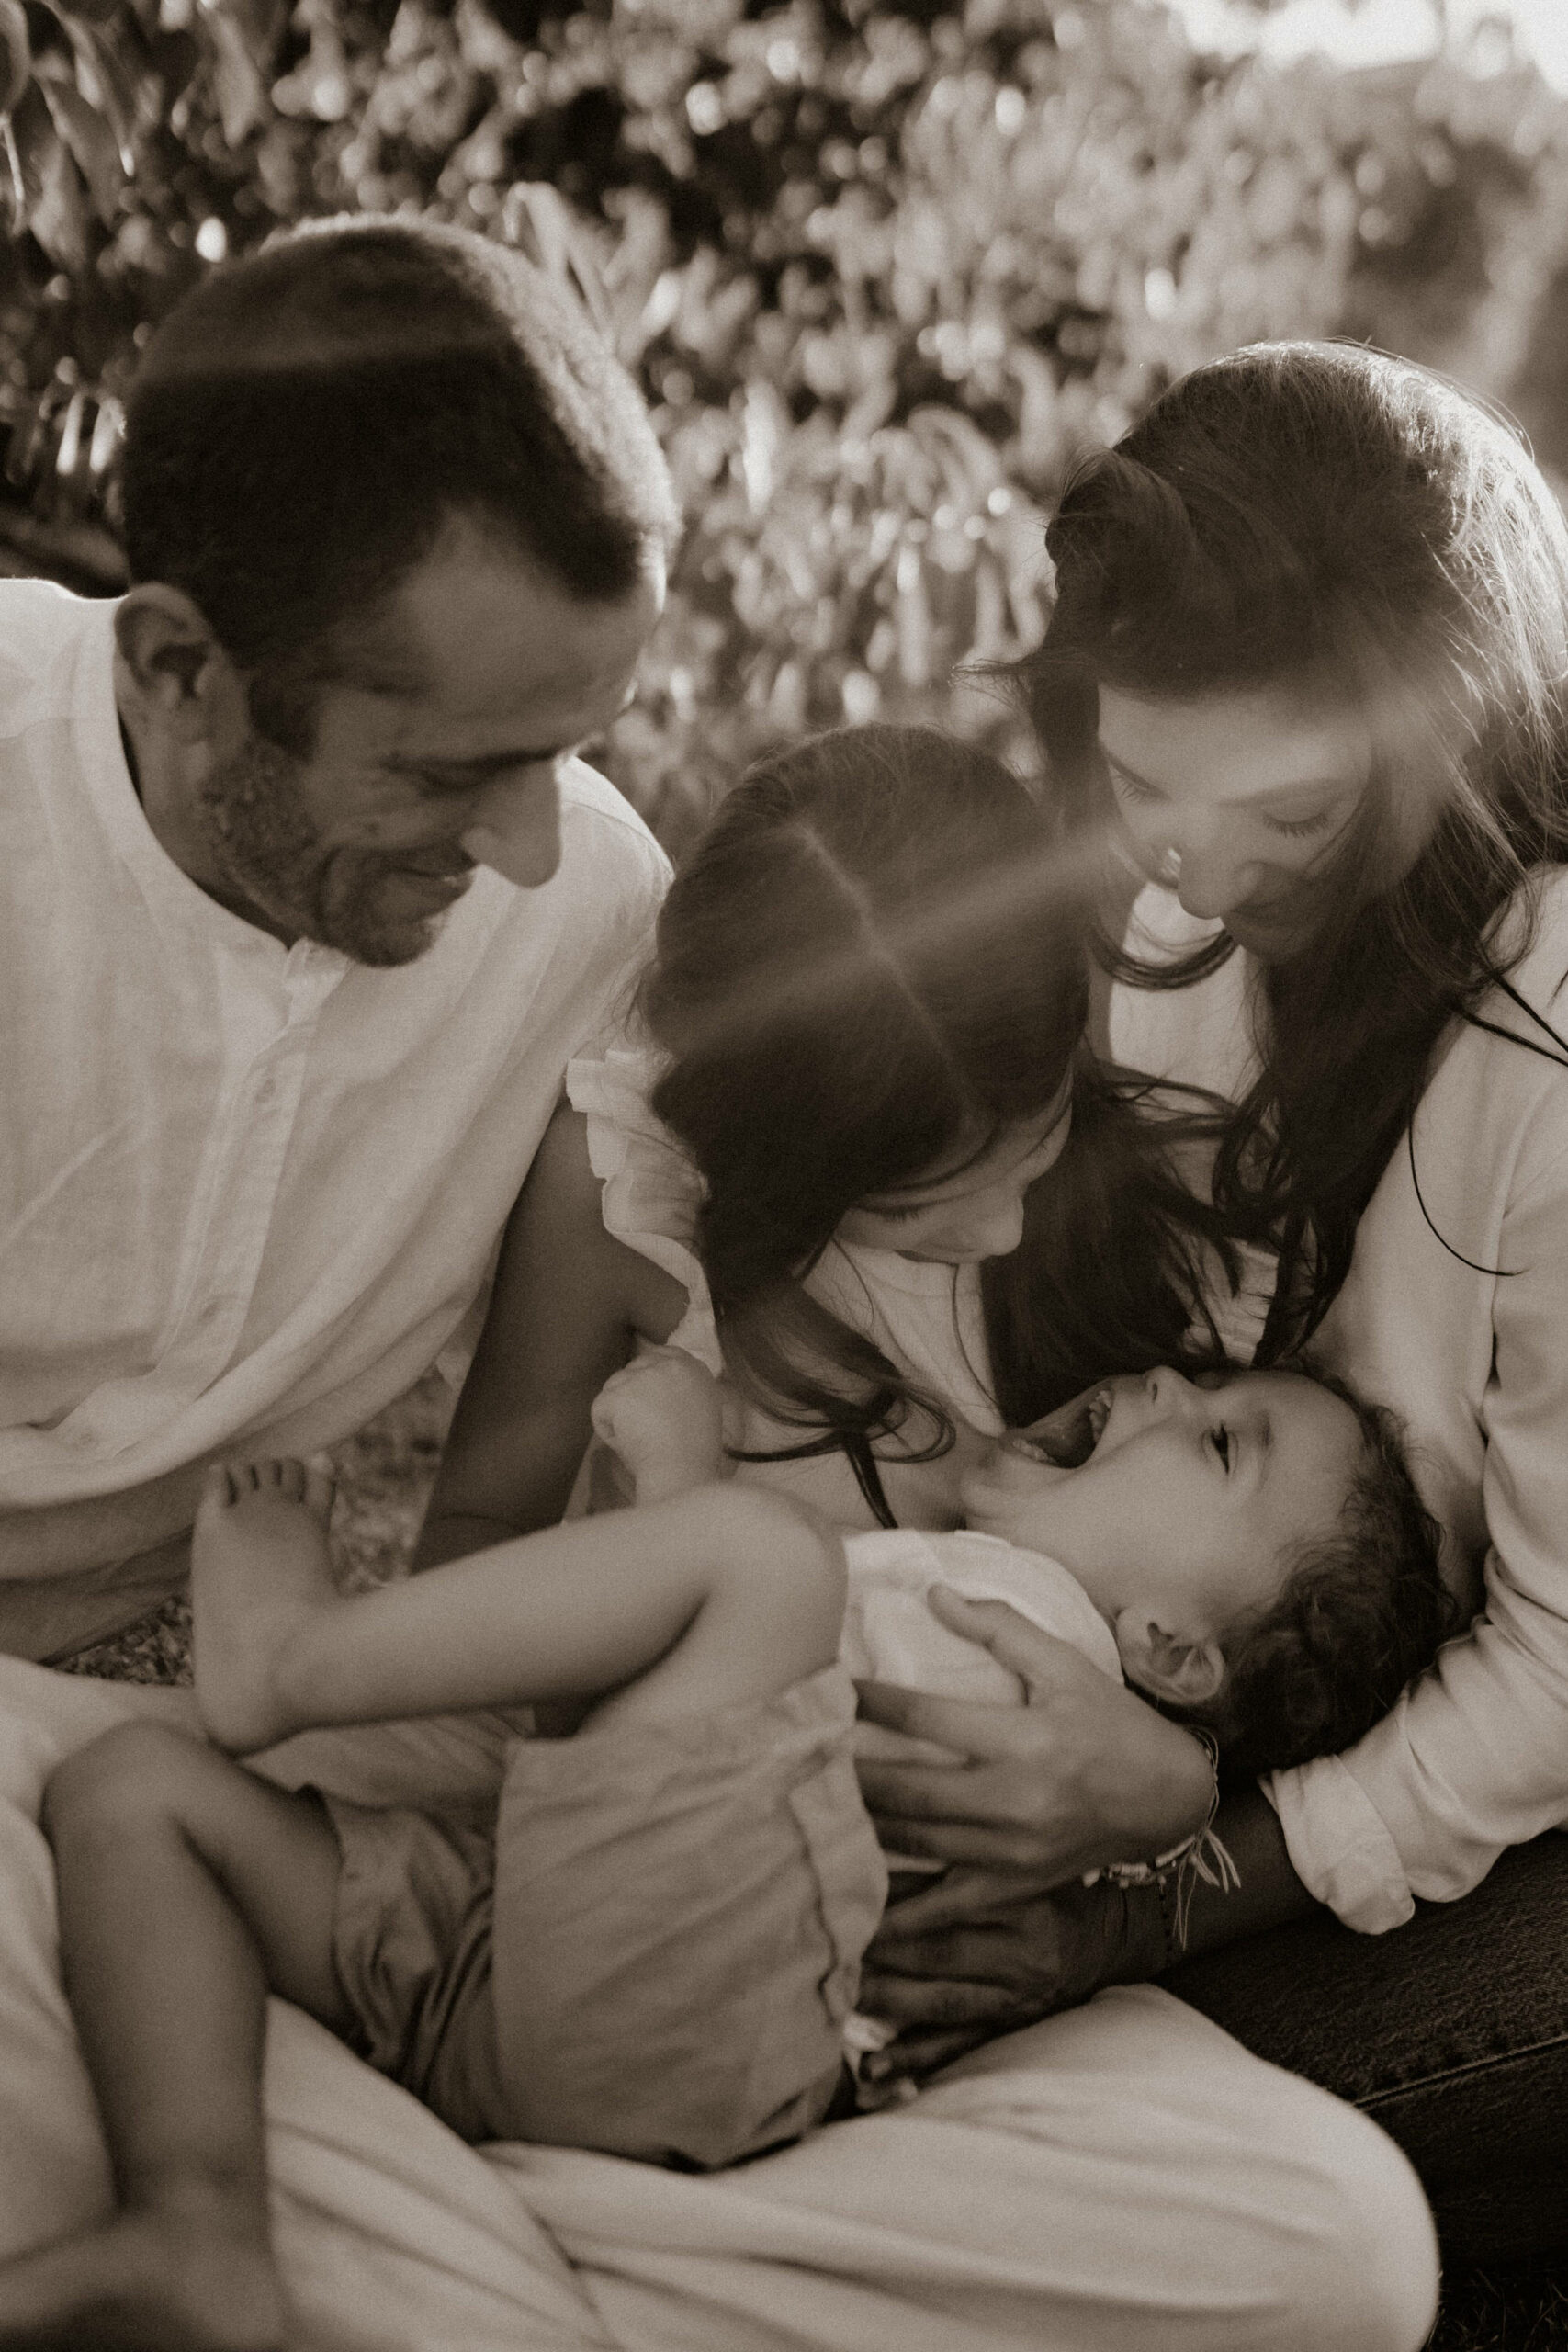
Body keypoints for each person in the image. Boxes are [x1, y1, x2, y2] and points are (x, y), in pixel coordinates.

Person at [0, 1333, 1448, 2349]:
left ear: (1171, 1650)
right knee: (133, 1796)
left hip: (681, 2024)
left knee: (762, 1554)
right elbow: (625, 1754)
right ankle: (197, 2225)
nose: (1165, 1385)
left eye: (1216, 1440)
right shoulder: (970, 1607)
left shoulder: (1032, 1652)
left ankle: (287, 1662)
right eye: (1200, 1377)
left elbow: (769, 1726)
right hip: (520, 1968)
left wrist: (687, 1489)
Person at [850, 340, 1568, 2260]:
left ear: (1441, 748)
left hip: (1526, 1779)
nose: (1185, 861)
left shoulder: (1550, 1052)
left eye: (1285, 810)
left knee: (1091, 2112)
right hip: (1273, 1686)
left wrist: (1151, 1891)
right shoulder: (1176, 929)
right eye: (1140, 774)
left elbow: (1553, 1675)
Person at [0, 211, 676, 1662]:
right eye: (444, 773)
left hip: (166, 1676)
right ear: (181, 670)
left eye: (568, 751)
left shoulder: (593, 912)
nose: (530, 851)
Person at [416, 720, 1093, 1562]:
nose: (1003, 1232)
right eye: (909, 1209)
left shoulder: (1074, 1059)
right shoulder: (628, 1201)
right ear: (770, 1153)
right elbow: (481, 1533)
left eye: (1034, 1151)